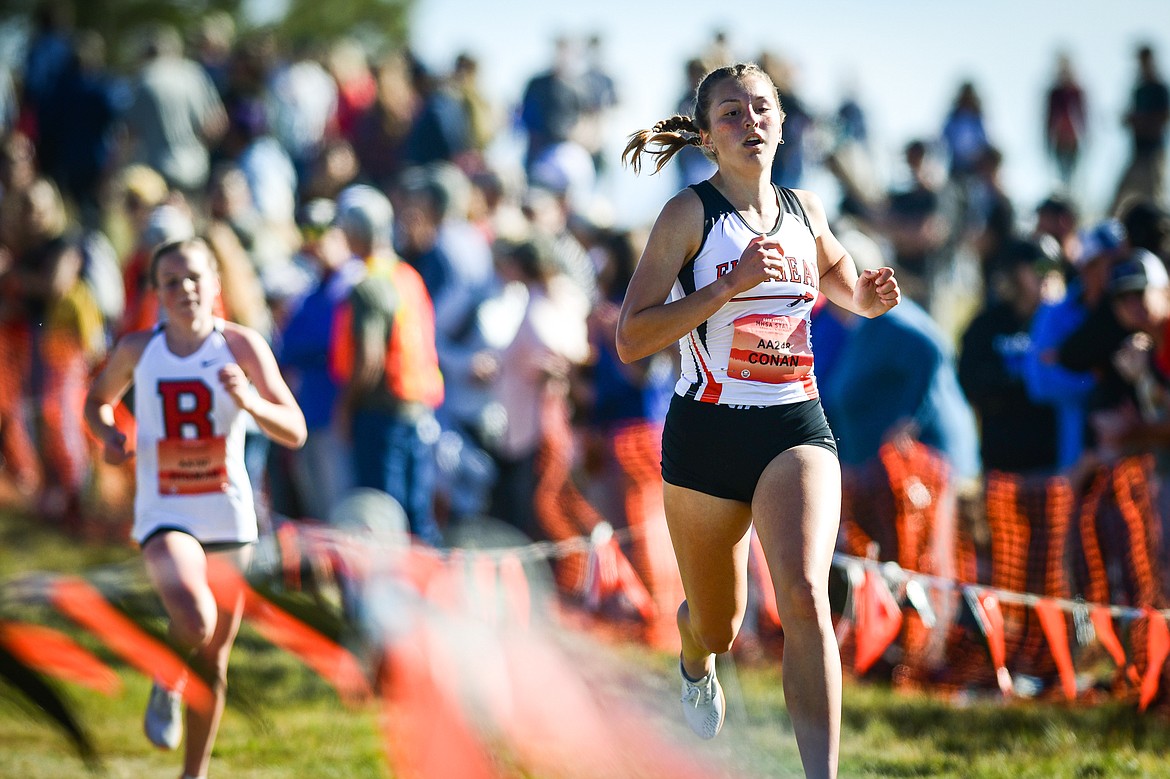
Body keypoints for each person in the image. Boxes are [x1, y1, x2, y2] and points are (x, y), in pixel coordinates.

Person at [617, 63, 899, 777]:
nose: (751, 122)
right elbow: (632, 337)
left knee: (803, 591)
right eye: (733, 113)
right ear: (708, 135)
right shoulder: (689, 214)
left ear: (782, 121)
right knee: (719, 621)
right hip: (705, 435)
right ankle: (693, 654)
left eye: (762, 109)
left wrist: (866, 296)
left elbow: (842, 283)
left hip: (793, 427)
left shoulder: (805, 208)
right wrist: (726, 286)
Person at [83, 237, 307, 779]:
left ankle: (194, 773)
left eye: (194, 277)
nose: (184, 289)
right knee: (194, 617)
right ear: (156, 292)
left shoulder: (242, 345)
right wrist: (109, 438)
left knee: (215, 661)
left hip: (229, 516)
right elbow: (96, 402)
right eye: (170, 281)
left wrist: (251, 401)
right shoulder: (140, 349)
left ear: (216, 284)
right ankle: (168, 679)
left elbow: (295, 430)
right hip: (166, 514)